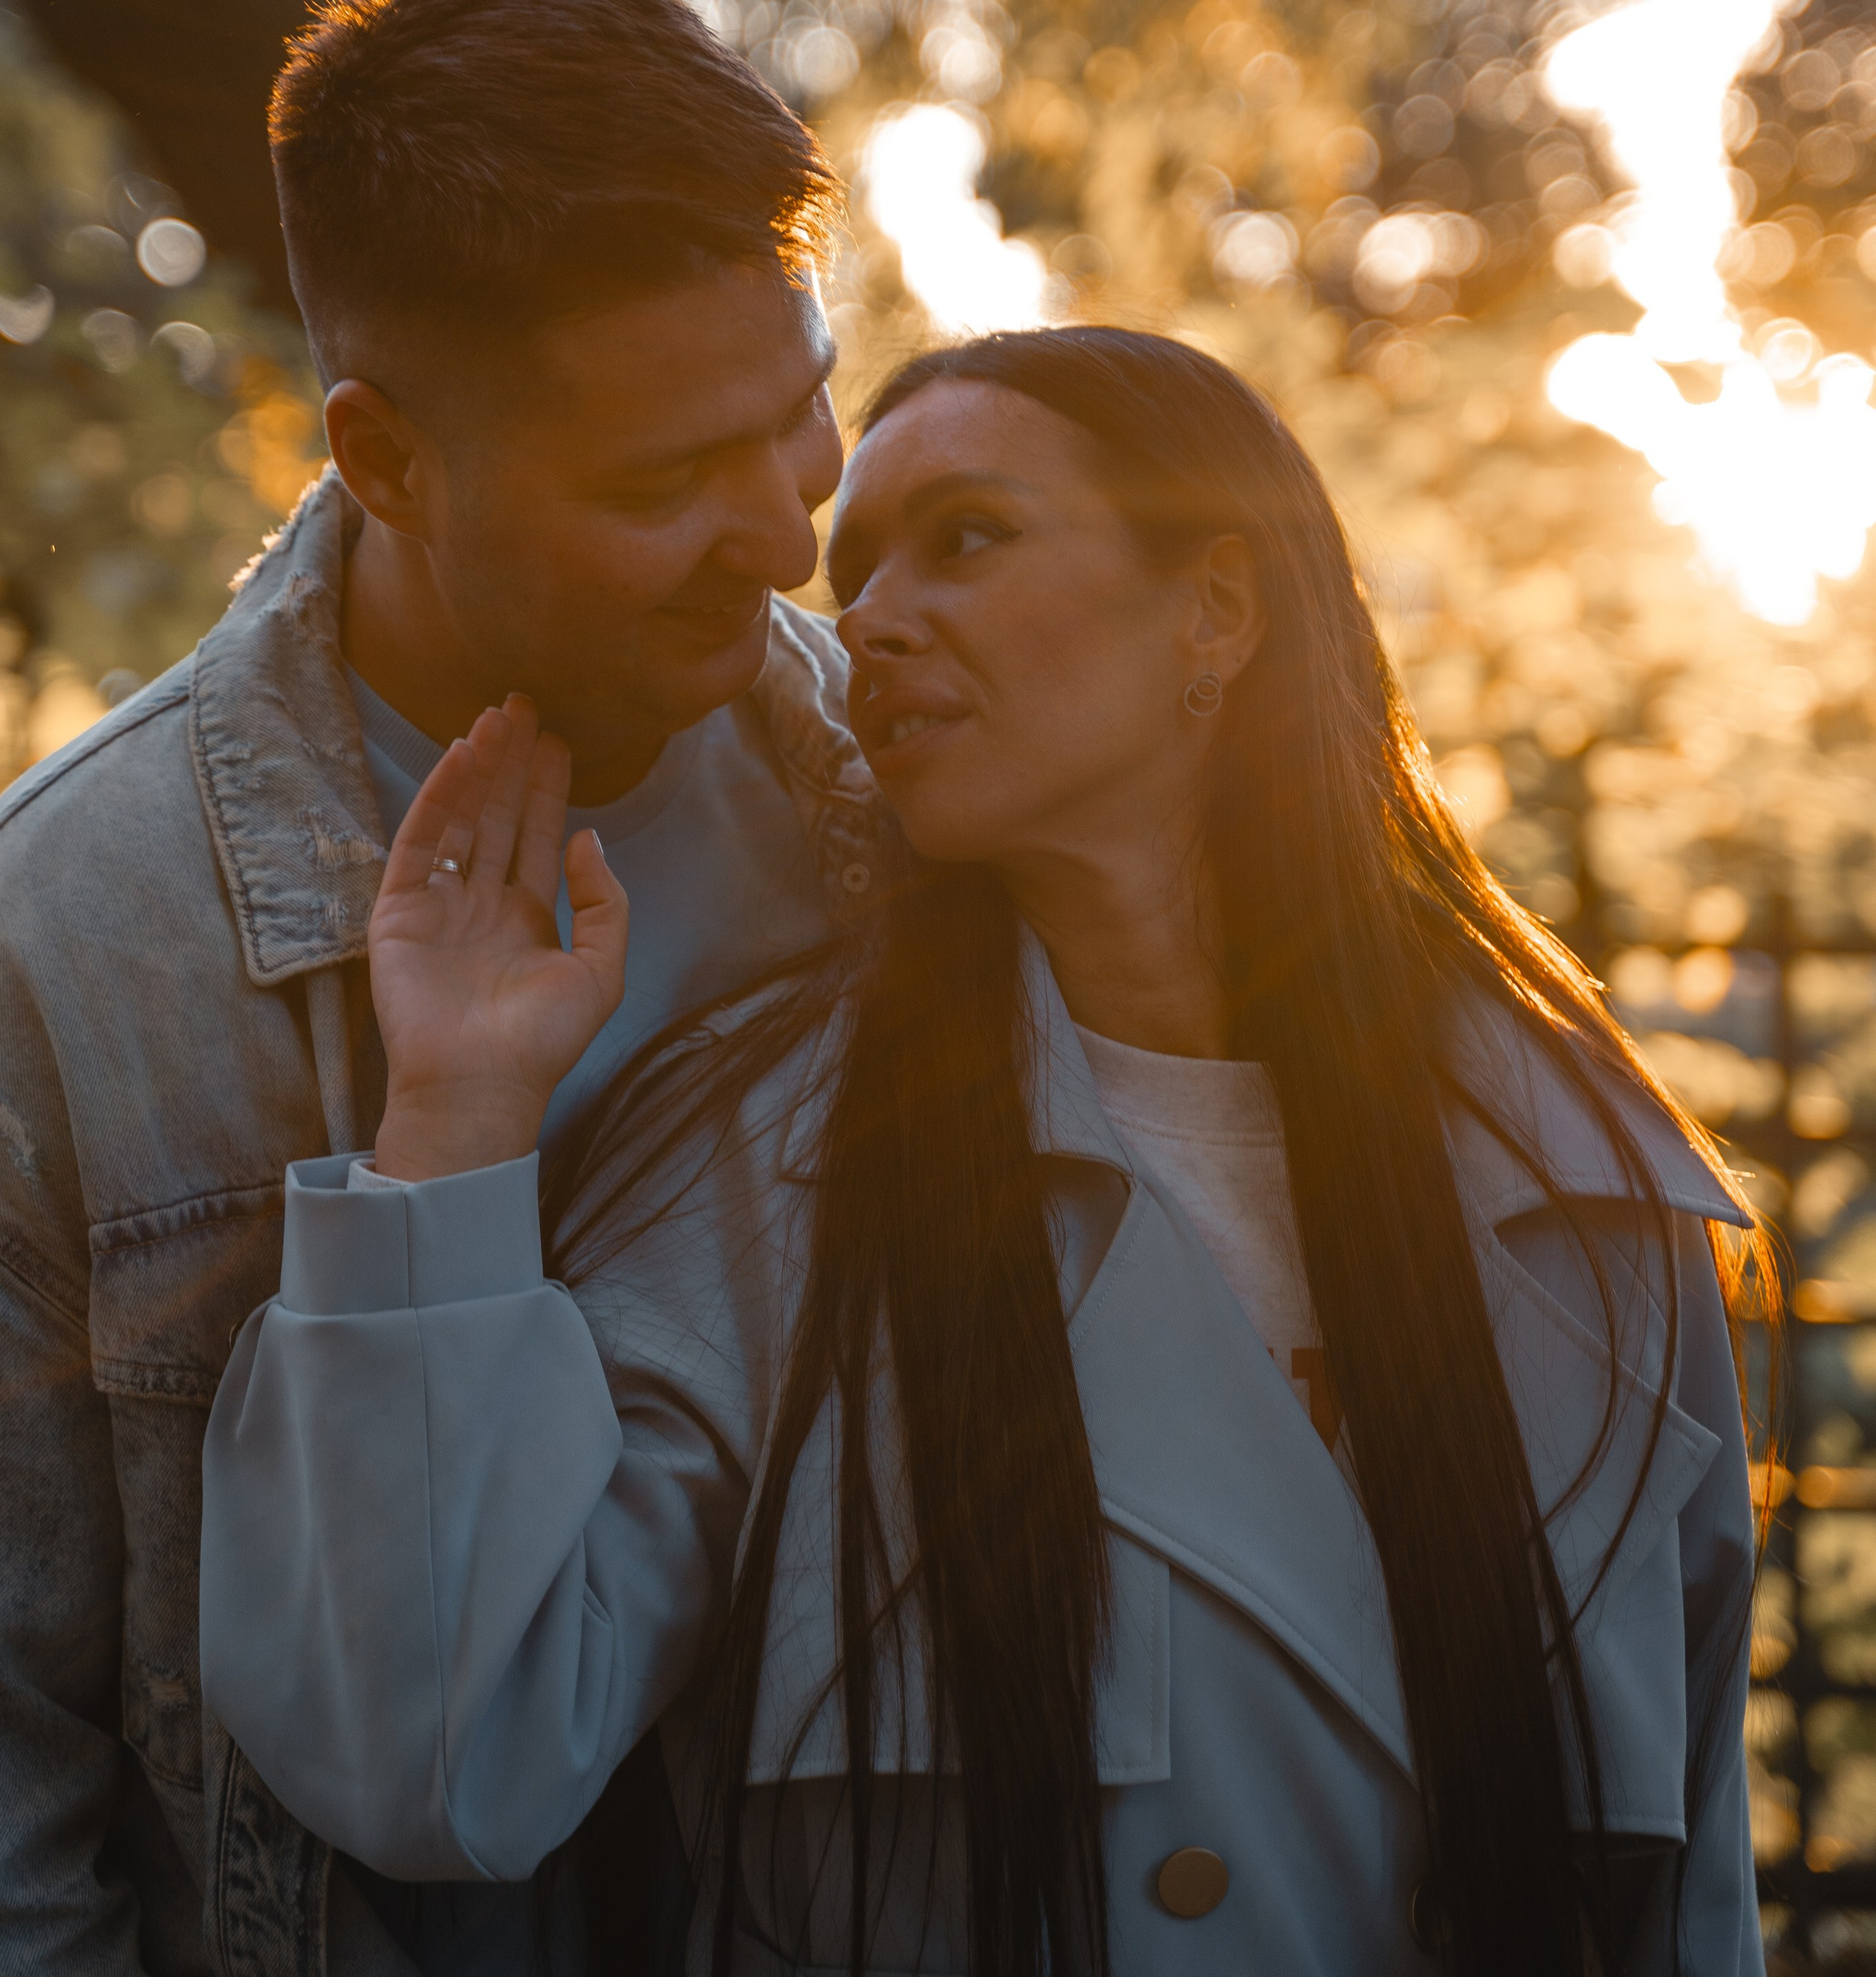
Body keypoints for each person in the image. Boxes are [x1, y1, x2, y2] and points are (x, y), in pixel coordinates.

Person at [202, 325, 1769, 1977]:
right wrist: (453, 1114)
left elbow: (1690, 1896)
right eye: (855, 568)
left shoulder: (1581, 1183)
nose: (863, 621)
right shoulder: (770, 1165)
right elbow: (435, 1761)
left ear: (1216, 612)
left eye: (965, 539)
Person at [0, 0, 889, 1976]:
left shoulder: (907, 818)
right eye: (668, 479)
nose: (791, 532)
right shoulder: (58, 952)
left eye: (803, 409)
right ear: (386, 459)